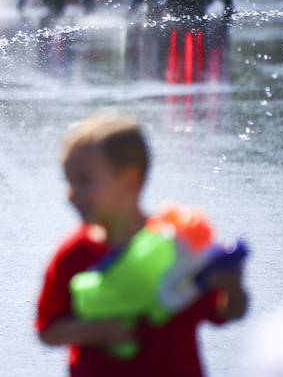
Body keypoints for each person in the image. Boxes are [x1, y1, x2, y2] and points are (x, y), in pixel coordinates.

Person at [36, 112, 248, 376]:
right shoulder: (74, 254)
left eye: (83, 180)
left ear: (129, 181)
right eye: (68, 180)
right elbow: (47, 330)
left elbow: (227, 314)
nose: (70, 193)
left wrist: (233, 286)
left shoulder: (174, 247)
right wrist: (99, 331)